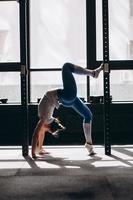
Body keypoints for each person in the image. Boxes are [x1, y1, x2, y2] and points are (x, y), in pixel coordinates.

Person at [31, 62, 103, 159]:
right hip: (66, 96)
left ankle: (89, 146)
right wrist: (33, 153)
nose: (44, 130)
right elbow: (38, 133)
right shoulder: (44, 120)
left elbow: (37, 134)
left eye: (47, 130)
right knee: (66, 66)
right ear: (49, 124)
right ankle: (93, 73)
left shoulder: (44, 121)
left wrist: (37, 150)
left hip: (66, 100)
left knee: (88, 115)